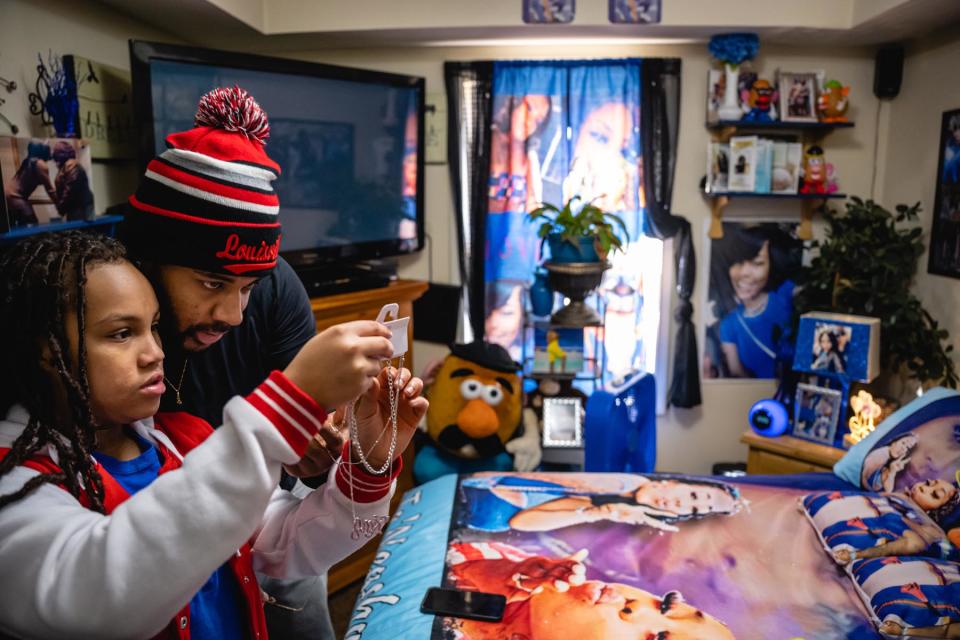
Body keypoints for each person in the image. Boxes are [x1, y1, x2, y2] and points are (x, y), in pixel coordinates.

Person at [0, 232, 427, 639]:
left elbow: (290, 544)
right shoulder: (15, 483)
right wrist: (289, 404)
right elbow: (103, 600)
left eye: (154, 327)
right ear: (44, 351)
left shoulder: (186, 439)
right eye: (122, 333)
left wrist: (369, 458)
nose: (155, 352)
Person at [117, 86, 419, 639]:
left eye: (249, 287)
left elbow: (283, 527)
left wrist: (340, 459)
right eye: (212, 282)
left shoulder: (278, 289)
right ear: (144, 263)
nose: (233, 314)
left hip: (257, 510)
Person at [444, 542, 735, 639]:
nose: (636, 606)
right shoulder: (511, 559)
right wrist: (486, 571)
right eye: (663, 604)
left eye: (655, 638)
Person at [459, 472, 741, 533]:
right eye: (693, 495)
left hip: (464, 514)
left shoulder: (600, 504)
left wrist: (600, 512)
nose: (680, 504)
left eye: (692, 510)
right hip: (469, 493)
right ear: (674, 482)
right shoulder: (623, 482)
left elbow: (519, 522)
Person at [707, 223, 801, 378]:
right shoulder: (729, 325)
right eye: (738, 262)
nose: (744, 273)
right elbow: (737, 373)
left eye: (757, 263)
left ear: (773, 265)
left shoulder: (787, 294)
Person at [3, 140, 51, 226]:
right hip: (14, 196)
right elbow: (50, 189)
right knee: (32, 223)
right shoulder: (39, 164)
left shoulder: (28, 161)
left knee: (17, 224)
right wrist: (60, 205)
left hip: (8, 194)